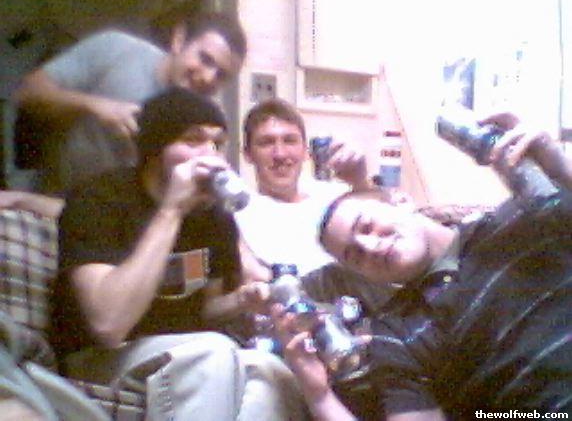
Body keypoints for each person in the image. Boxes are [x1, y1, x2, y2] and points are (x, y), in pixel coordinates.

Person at [272, 112, 572, 420]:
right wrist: (319, 396)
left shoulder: (520, 220)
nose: (371, 247)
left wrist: (559, 163)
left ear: (400, 201)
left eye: (367, 226)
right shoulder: (396, 335)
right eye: (356, 256)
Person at [50, 88, 308, 421]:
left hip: (182, 350)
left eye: (217, 143)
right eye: (193, 140)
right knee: (212, 352)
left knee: (270, 370)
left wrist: (241, 300)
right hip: (99, 358)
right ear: (155, 149)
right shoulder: (99, 199)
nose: (209, 155)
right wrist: (172, 210)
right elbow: (107, 324)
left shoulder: (213, 215)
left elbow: (205, 310)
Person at [14, 11, 246, 194]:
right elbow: (26, 93)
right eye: (205, 59)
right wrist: (95, 106)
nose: (208, 77)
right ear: (179, 39)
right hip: (55, 197)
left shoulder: (206, 123)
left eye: (221, 75)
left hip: (125, 224)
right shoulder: (117, 50)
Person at [234, 98, 376, 278]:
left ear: (305, 151)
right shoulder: (238, 219)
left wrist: (361, 181)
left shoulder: (337, 197)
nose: (280, 154)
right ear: (247, 154)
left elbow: (382, 230)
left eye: (290, 141)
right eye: (267, 142)